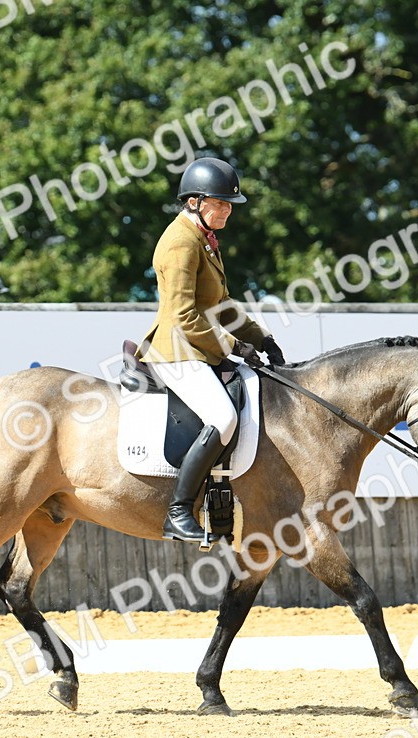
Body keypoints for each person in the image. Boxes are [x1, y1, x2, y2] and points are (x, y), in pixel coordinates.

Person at [137, 157, 286, 543]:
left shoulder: (203, 240)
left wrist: (261, 339)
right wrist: (236, 346)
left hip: (198, 349)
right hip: (176, 351)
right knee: (223, 417)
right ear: (194, 202)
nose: (226, 211)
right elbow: (184, 317)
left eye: (229, 205)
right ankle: (178, 511)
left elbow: (221, 305)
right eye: (219, 203)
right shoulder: (180, 243)